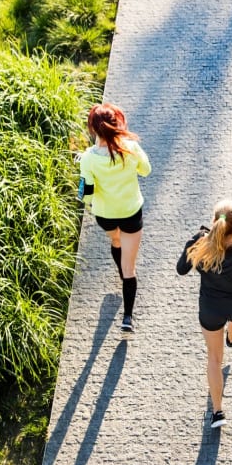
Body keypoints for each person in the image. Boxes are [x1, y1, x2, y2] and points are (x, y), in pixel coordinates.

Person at [177, 200, 232, 429]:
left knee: (214, 359)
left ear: (214, 221)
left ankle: (217, 412)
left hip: (211, 308)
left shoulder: (201, 243)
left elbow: (181, 269)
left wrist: (194, 240)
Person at [79, 102, 151, 332]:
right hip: (130, 212)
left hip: (105, 215)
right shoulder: (130, 148)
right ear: (117, 124)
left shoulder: (88, 159)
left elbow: (87, 194)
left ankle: (120, 268)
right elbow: (146, 170)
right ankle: (127, 318)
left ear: (93, 130)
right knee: (130, 269)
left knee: (116, 241)